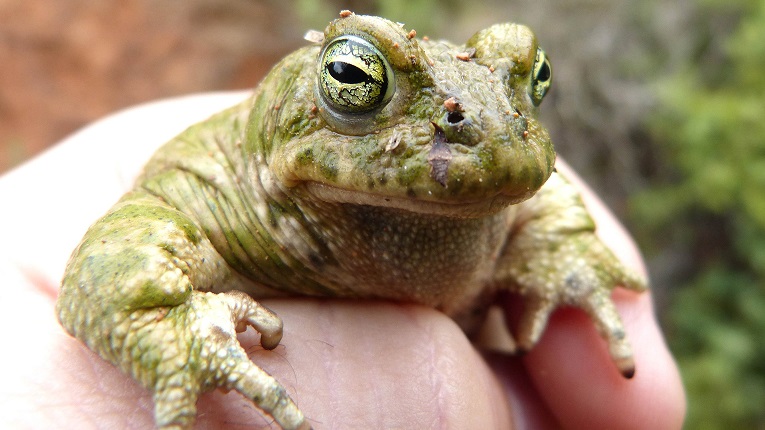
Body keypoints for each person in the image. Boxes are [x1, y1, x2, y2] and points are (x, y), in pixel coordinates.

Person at [0, 92, 685, 429]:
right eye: (358, 82)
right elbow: (98, 274)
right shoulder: (216, 189)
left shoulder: (511, 197)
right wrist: (169, 333)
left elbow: (549, 198)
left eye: (526, 87)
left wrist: (561, 247)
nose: (466, 129)